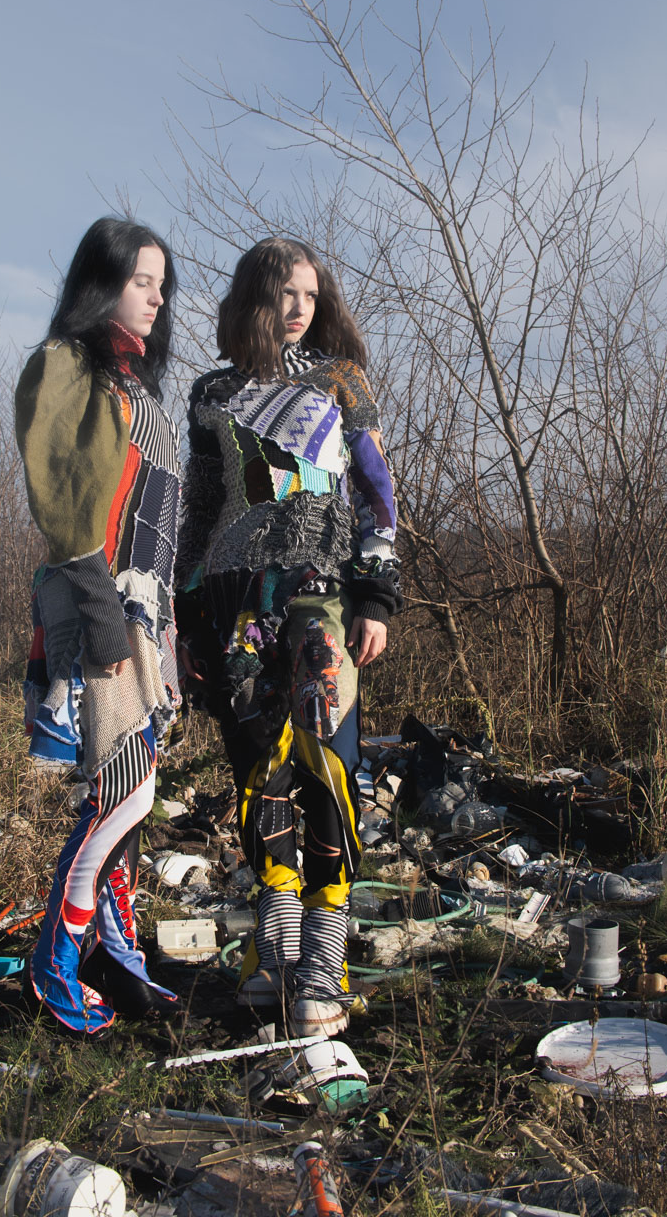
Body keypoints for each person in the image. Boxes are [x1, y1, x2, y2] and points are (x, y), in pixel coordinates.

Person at [176, 237, 400, 1038]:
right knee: (257, 772)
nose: (299, 308)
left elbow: (377, 494)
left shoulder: (341, 382)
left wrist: (376, 596)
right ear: (253, 302)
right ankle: (272, 953)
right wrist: (184, 619)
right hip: (234, 605)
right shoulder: (211, 393)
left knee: (328, 764)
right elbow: (199, 513)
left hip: (323, 599)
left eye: (309, 294)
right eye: (284, 295)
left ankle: (325, 961)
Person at [16, 216, 185, 1035]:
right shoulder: (65, 366)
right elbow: (64, 508)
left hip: (145, 614)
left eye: (161, 284)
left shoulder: (140, 388)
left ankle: (116, 958)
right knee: (123, 794)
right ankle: (53, 971)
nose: (155, 298)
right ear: (101, 282)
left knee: (131, 799)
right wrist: (105, 623)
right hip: (98, 607)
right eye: (140, 281)